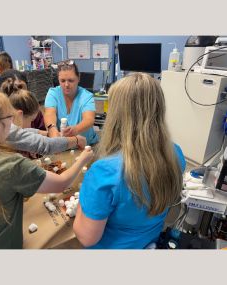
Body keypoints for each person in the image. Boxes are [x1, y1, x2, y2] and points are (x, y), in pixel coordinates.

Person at [0, 88, 93, 249]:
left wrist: (44, 133)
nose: (14, 125)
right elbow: (61, 183)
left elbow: (20, 134)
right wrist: (84, 157)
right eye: (11, 118)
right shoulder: (9, 165)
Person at [73, 72, 186, 249]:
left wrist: (84, 199)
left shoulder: (104, 172)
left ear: (116, 114)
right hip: (148, 243)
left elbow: (86, 237)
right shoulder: (175, 154)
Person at [0, 69, 86, 155]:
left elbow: (24, 131)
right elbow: (47, 145)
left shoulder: (5, 121)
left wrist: (46, 134)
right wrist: (77, 140)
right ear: (20, 114)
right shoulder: (6, 129)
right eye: (31, 120)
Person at [44, 60, 99, 145]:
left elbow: (89, 119)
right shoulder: (53, 93)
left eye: (71, 80)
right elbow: (49, 113)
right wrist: (52, 129)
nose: (66, 85)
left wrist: (76, 129)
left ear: (78, 78)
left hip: (86, 144)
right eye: (62, 81)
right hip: (63, 144)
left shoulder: (86, 96)